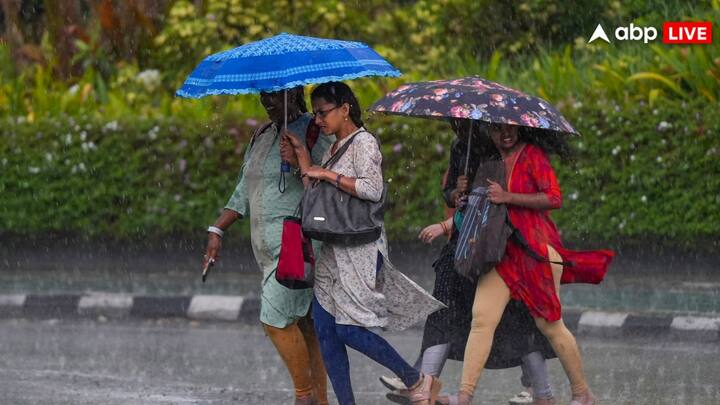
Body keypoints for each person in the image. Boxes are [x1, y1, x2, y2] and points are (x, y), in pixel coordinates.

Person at [283, 81, 445, 405]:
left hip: (360, 249)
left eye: (323, 113)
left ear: (345, 109)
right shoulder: (331, 149)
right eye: (315, 114)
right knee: (326, 330)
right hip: (332, 248)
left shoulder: (364, 143)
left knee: (348, 329)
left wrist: (327, 175)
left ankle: (416, 379)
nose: (318, 120)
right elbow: (318, 196)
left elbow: (372, 190)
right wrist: (302, 156)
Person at [382, 122, 556, 405]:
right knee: (445, 312)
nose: (458, 127)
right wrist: (455, 194)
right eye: (454, 123)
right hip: (465, 246)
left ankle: (543, 392)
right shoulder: (461, 145)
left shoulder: (505, 152)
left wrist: (452, 217)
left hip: (500, 249)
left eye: (464, 123)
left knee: (518, 321)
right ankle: (424, 384)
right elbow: (459, 197)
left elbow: (498, 206)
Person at [445, 122, 614, 405]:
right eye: (498, 129)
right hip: (501, 254)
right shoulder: (489, 161)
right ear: (489, 132)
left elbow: (554, 198)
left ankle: (582, 393)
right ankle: (464, 395)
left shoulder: (533, 155)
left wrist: (507, 197)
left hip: (535, 253)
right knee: (482, 319)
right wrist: (460, 194)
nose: (506, 134)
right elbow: (479, 206)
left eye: (511, 128)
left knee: (550, 325)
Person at [202, 87, 332, 405]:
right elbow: (245, 188)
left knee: (273, 317)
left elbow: (330, 181)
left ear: (295, 93)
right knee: (305, 325)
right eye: (264, 96)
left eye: (275, 95)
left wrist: (301, 158)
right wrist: (217, 229)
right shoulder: (262, 134)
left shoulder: (316, 130)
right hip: (265, 249)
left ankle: (304, 396)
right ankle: (320, 400)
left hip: (299, 245)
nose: (267, 102)